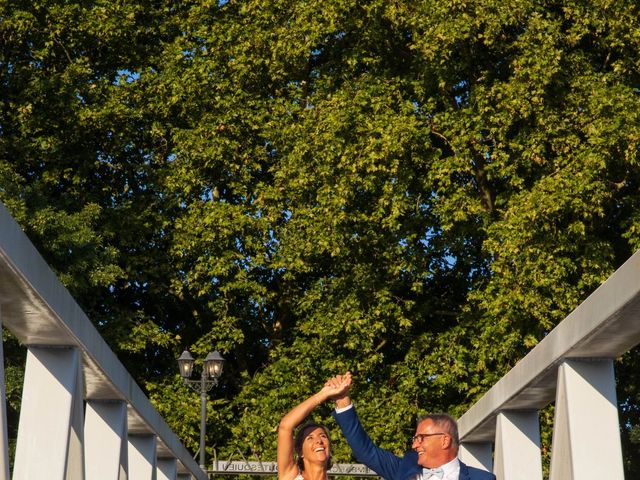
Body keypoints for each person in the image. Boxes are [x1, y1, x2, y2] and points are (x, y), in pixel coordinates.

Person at [327, 372, 495, 480]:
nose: (414, 444)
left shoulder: (483, 478)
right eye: (415, 438)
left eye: (421, 438)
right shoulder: (405, 468)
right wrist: (343, 403)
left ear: (444, 441)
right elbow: (366, 451)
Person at [277, 378, 350, 480]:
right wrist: (323, 394)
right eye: (310, 438)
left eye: (323, 436)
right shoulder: (290, 477)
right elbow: (285, 426)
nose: (319, 441)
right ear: (300, 452)